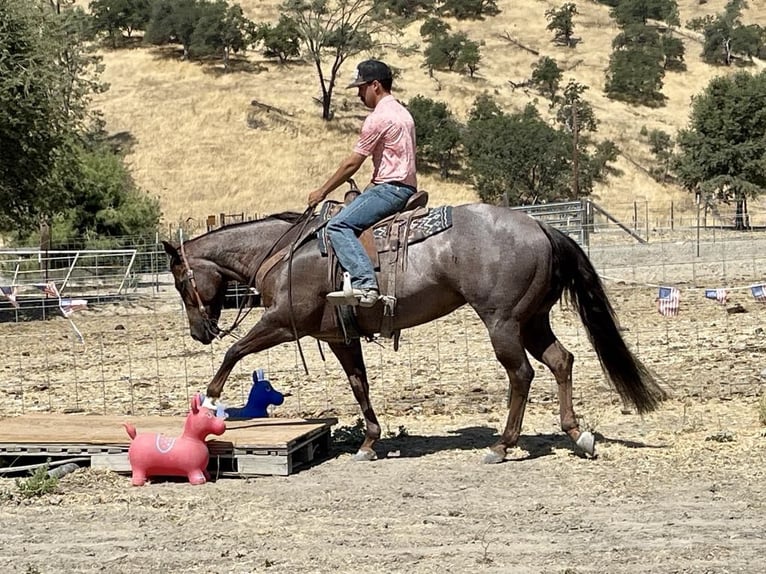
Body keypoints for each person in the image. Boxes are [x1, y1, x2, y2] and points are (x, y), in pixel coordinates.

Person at [307, 59, 417, 308]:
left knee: (337, 226)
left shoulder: (379, 118)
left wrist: (322, 192)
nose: (359, 94)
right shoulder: (403, 112)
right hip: (406, 186)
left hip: (390, 189)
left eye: (361, 87)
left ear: (375, 85)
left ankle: (365, 283)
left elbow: (352, 164)